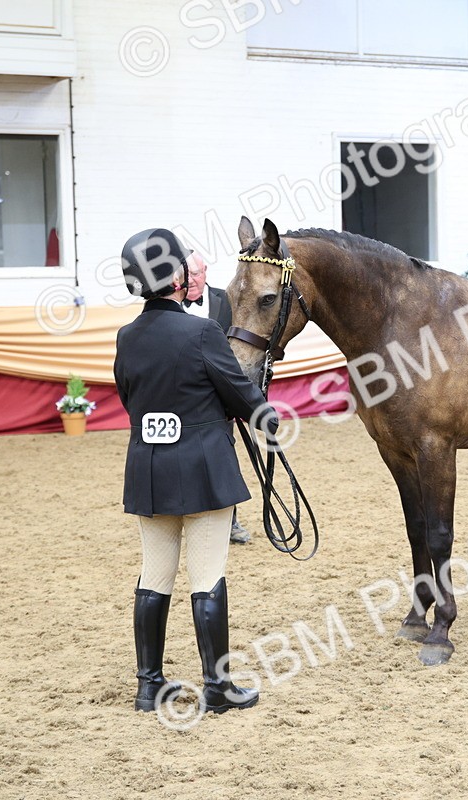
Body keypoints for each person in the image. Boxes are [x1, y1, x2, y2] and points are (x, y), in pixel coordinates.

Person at [115, 227, 278, 715]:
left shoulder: (127, 336)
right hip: (203, 468)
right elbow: (241, 396)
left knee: (154, 574)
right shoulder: (202, 331)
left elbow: (130, 398)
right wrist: (263, 412)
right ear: (175, 278)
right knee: (207, 575)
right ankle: (217, 686)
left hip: (148, 467)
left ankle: (149, 686)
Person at [182, 252, 253, 545]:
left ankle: (230, 521)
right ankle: (185, 516)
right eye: (186, 275)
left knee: (223, 459)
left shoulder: (228, 301)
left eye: (196, 273)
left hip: (219, 397)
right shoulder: (170, 306)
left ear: (206, 271)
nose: (191, 280)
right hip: (184, 397)